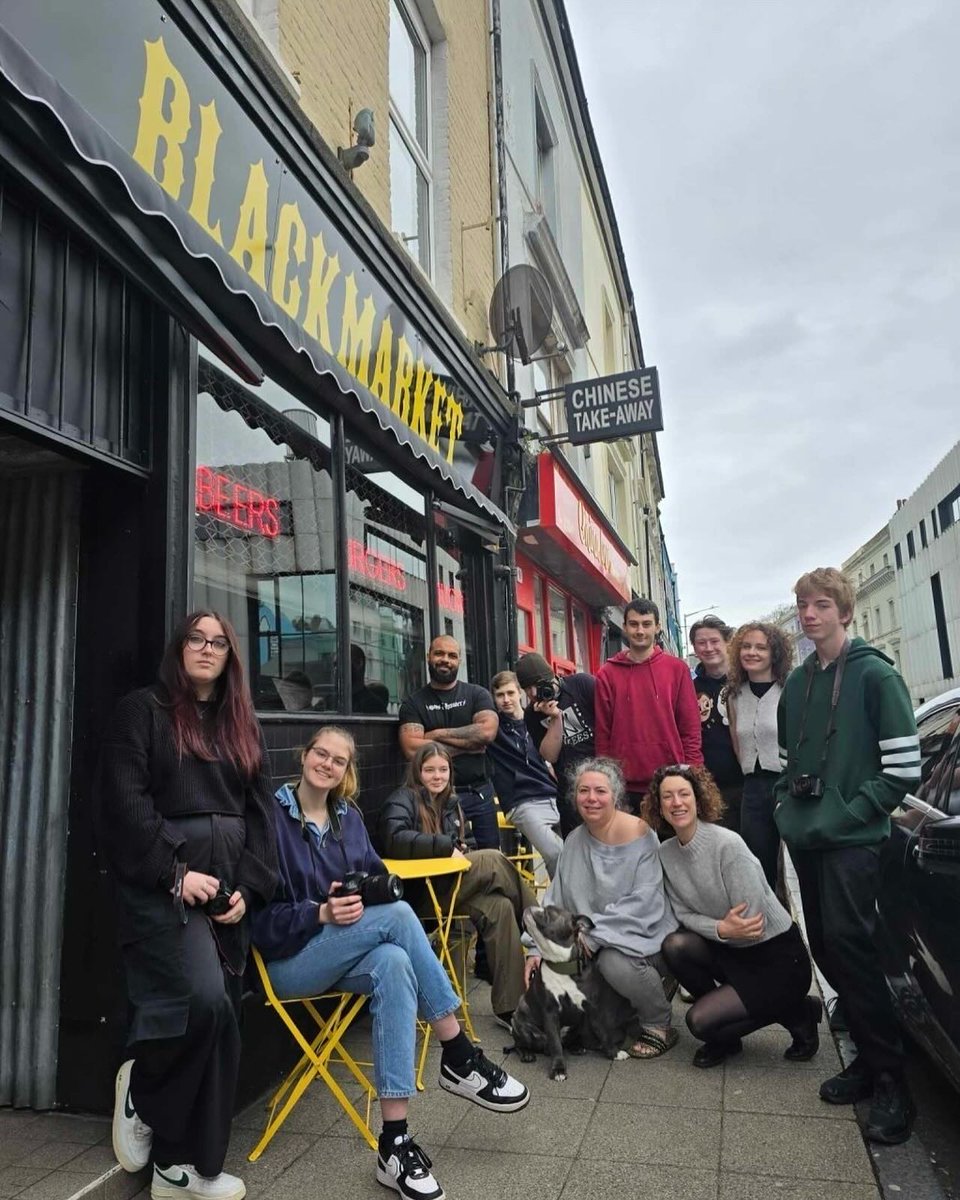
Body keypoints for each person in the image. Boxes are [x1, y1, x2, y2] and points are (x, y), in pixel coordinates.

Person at [252, 728, 529, 1200]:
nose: (327, 764)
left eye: (339, 760)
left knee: (395, 962)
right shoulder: (269, 819)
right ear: (303, 756)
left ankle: (394, 1143)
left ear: (347, 772)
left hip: (345, 953)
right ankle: (458, 1052)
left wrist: (368, 889)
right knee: (401, 918)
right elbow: (258, 921)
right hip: (290, 959)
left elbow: (376, 879)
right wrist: (320, 912)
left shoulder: (348, 818)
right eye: (321, 753)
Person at [96, 611, 279, 1200]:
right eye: (196, 639)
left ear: (231, 656)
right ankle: (143, 1095)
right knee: (201, 1003)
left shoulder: (240, 725)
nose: (207, 649)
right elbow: (125, 803)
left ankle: (183, 1169)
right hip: (165, 888)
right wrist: (174, 873)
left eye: (218, 642)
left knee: (225, 1020)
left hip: (227, 894)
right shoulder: (142, 711)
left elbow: (260, 818)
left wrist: (248, 890)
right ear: (180, 648)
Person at [775, 567, 920, 1144]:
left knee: (855, 953)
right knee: (830, 949)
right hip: (810, 839)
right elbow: (788, 763)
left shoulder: (877, 678)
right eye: (803, 605)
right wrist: (790, 811)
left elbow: (904, 771)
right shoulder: (798, 684)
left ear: (844, 611)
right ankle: (866, 1059)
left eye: (820, 605)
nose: (810, 614)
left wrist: (849, 813)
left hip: (855, 843)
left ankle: (892, 1080)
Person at [642, 764, 818, 1070]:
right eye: (667, 796)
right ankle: (730, 1028)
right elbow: (681, 913)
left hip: (776, 958)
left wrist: (722, 929)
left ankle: (797, 1011)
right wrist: (721, 928)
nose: (676, 802)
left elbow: (752, 922)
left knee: (699, 1023)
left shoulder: (727, 845)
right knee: (675, 945)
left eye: (684, 794)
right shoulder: (666, 854)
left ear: (698, 799)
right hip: (729, 947)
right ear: (659, 805)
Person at [524, 758, 679, 1059]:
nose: (591, 798)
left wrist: (595, 935)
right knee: (590, 1027)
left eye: (600, 791)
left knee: (613, 963)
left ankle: (659, 1021)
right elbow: (556, 901)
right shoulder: (574, 840)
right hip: (589, 945)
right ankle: (630, 1005)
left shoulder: (641, 834)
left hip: (639, 938)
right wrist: (534, 948)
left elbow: (645, 901)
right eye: (583, 791)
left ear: (616, 795)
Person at [376, 742, 536, 1028]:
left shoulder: (450, 803)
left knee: (499, 907)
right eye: (429, 770)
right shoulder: (402, 798)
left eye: (443, 769)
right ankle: (542, 930)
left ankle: (513, 1009)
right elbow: (393, 838)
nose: (437, 776)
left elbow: (466, 846)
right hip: (420, 896)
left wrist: (460, 845)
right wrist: (445, 845)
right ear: (417, 772)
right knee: (495, 860)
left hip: (450, 889)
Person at [595, 598, 703, 812]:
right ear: (624, 627)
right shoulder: (607, 674)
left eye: (646, 624)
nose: (640, 631)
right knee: (630, 846)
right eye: (634, 624)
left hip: (671, 781)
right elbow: (602, 733)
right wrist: (605, 778)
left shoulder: (677, 669)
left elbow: (690, 727)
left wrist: (693, 772)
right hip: (624, 784)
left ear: (657, 627)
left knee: (671, 846)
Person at [398, 636, 499, 849]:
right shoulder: (414, 703)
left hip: (478, 793)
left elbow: (486, 733)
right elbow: (411, 749)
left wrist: (434, 735)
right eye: (439, 654)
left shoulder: (477, 694)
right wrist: (469, 744)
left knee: (489, 857)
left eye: (452, 655)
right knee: (445, 858)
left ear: (459, 661)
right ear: (428, 657)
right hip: (434, 799)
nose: (445, 660)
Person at [724, 622, 795, 889]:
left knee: (791, 866)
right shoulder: (733, 695)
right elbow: (736, 741)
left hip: (786, 786)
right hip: (752, 789)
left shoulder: (789, 689)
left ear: (774, 653)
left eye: (760, 647)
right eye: (746, 646)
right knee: (757, 865)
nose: (752, 652)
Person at [487, 670, 563, 877]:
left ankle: (561, 905)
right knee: (557, 853)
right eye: (500, 695)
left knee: (576, 853)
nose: (506, 700)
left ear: (520, 692)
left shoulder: (538, 720)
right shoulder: (493, 729)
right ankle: (561, 906)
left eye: (510, 693)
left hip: (553, 794)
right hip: (522, 801)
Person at [516, 653, 596, 837]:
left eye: (538, 685)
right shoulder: (532, 714)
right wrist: (555, 718)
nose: (534, 694)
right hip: (570, 791)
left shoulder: (581, 685)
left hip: (601, 780)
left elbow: (612, 720)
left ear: (552, 677)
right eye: (527, 689)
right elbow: (550, 756)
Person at [690, 615, 743, 832]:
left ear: (728, 643)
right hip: (710, 787)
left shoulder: (745, 680)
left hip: (747, 784)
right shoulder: (689, 688)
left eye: (714, 641)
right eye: (701, 643)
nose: (708, 648)